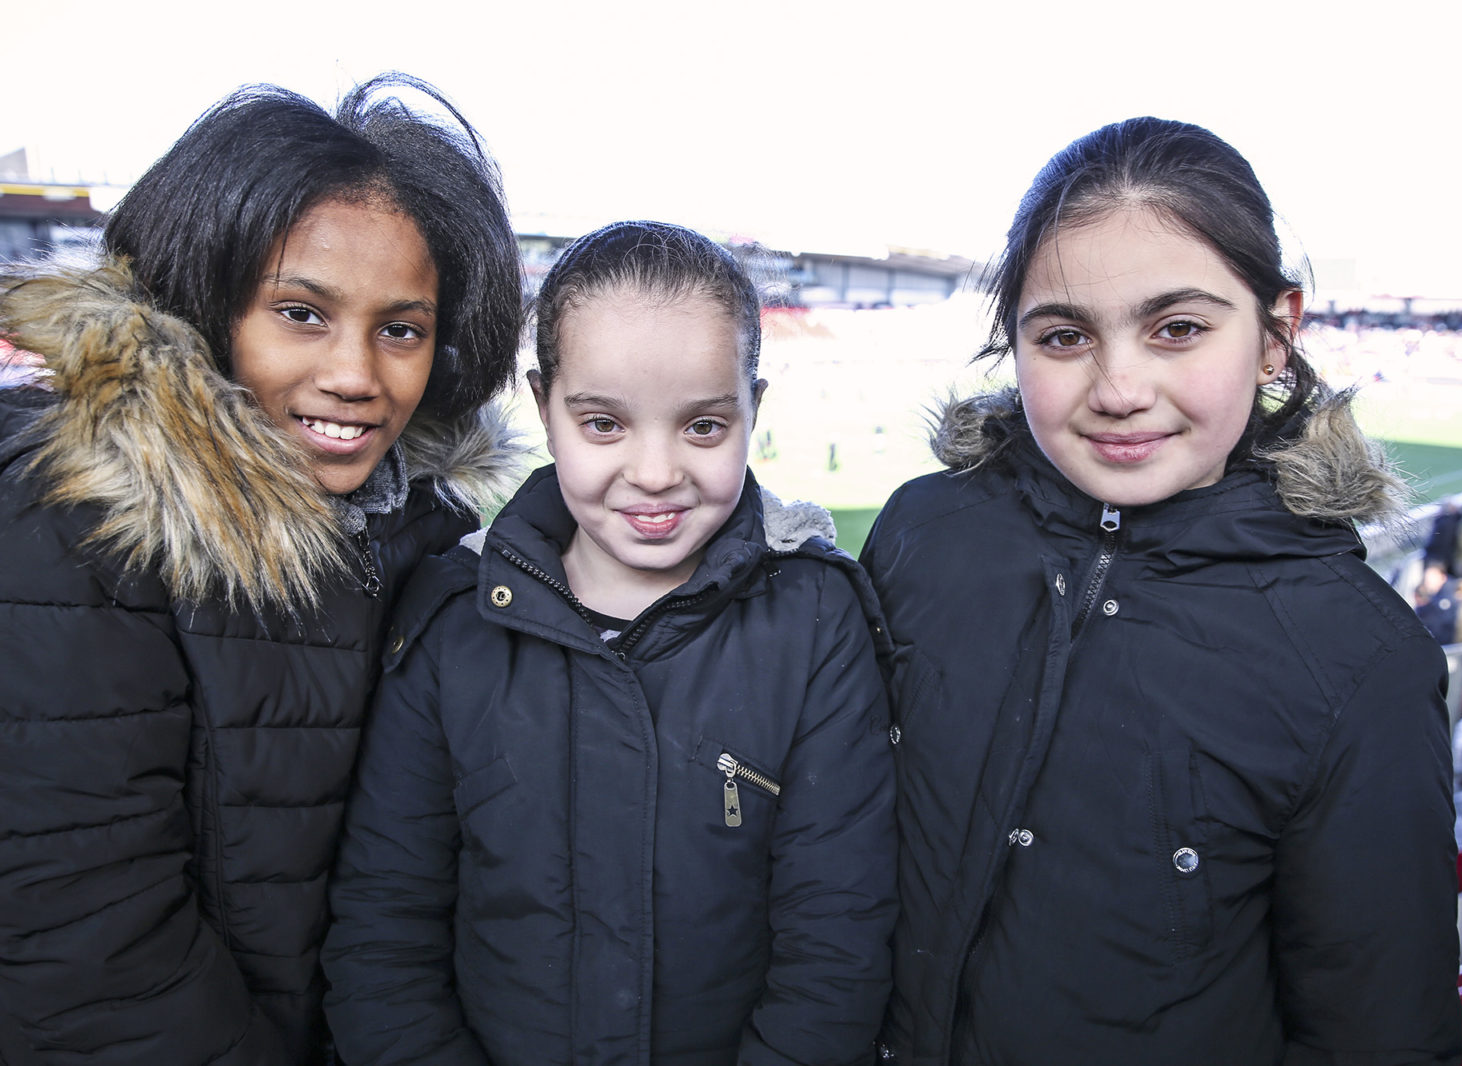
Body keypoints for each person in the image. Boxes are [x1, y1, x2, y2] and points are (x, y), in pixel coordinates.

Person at [860, 118, 1461, 1064]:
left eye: (1177, 329)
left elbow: (1380, 1036)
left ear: (1276, 334)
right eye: (1065, 336)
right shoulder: (920, 531)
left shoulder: (1361, 660)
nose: (1119, 388)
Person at [0, 74, 526, 1064]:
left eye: (401, 329)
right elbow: (90, 948)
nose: (356, 375)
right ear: (204, 302)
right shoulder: (72, 519)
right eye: (301, 313)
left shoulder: (420, 532)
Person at [321, 220, 896, 1066]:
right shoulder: (452, 619)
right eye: (603, 424)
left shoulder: (815, 619)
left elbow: (836, 938)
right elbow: (384, 929)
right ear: (543, 405)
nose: (655, 472)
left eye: (703, 427)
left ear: (753, 409)